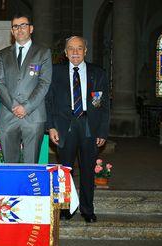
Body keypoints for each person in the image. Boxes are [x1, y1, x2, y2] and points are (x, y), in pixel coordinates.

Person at [46, 36, 110, 223]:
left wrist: (102, 131)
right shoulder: (55, 72)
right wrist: (50, 127)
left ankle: (87, 209)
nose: (75, 52)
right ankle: (66, 209)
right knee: (64, 171)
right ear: (65, 52)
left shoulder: (98, 73)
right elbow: (48, 102)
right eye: (71, 48)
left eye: (79, 48)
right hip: (64, 127)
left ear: (85, 51)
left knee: (88, 170)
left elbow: (104, 105)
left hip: (89, 126)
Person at [0, 13, 52, 163]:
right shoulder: (2, 54)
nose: (20, 29)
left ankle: (29, 188)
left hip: (33, 115)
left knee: (31, 165)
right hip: (8, 114)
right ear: (12, 31)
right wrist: (14, 106)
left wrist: (26, 107)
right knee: (10, 165)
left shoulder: (43, 52)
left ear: (31, 28)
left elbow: (44, 83)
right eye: (16, 26)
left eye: (23, 25)